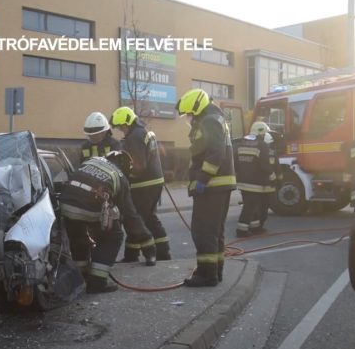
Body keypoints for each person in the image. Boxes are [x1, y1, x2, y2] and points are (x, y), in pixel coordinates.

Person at [59, 151, 157, 293]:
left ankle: (80, 277)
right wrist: (148, 244)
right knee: (113, 236)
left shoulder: (91, 162)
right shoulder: (120, 176)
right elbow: (130, 216)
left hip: (66, 205)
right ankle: (97, 283)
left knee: (79, 237)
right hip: (89, 207)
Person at [175, 89, 236, 287]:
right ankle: (215, 272)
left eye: (190, 114)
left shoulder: (209, 120)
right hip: (218, 186)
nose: (189, 118)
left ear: (198, 107)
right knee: (214, 231)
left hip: (212, 186)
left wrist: (202, 178)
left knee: (203, 231)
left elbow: (214, 153)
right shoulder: (216, 118)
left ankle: (206, 275)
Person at [110, 106, 171, 262]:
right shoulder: (144, 131)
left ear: (128, 122)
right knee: (149, 217)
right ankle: (163, 252)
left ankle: (132, 255)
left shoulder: (134, 137)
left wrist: (124, 178)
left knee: (135, 219)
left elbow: (138, 165)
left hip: (144, 185)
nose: (121, 130)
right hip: (154, 182)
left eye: (121, 126)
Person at [234, 121, 276, 237]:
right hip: (255, 183)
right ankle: (241, 230)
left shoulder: (242, 143)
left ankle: (255, 227)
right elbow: (265, 165)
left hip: (243, 181)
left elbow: (236, 162)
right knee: (250, 206)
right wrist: (273, 177)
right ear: (261, 132)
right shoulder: (262, 145)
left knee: (252, 205)